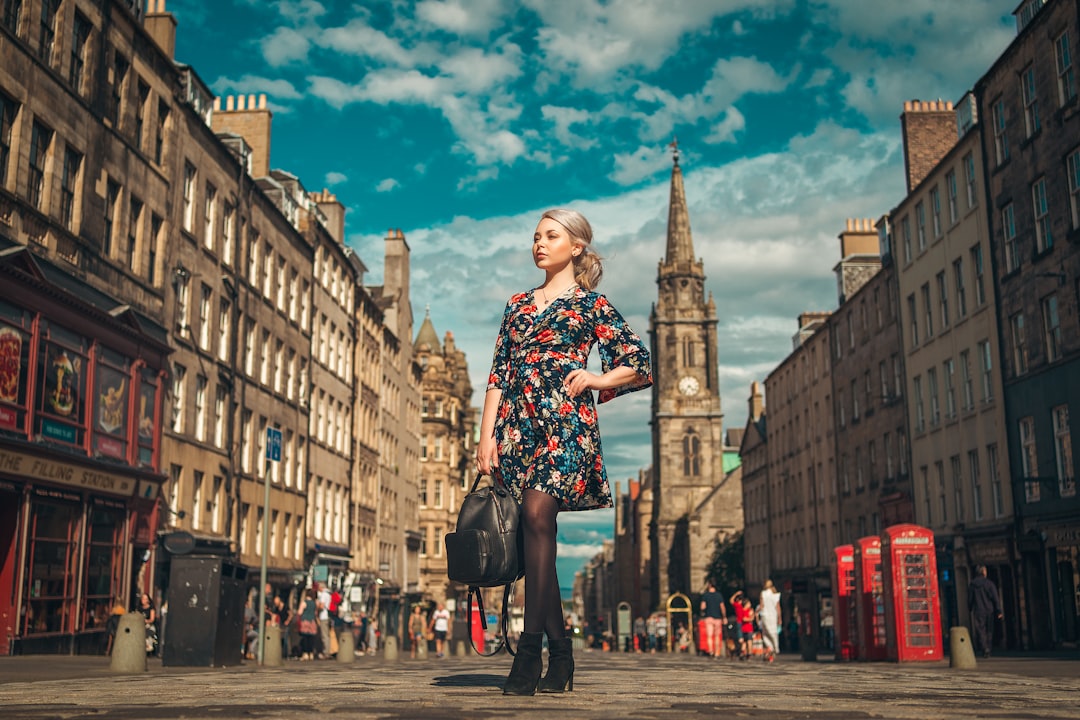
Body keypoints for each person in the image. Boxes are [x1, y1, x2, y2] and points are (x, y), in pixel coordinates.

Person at [475, 209, 652, 696]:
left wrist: (597, 377)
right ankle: (564, 653)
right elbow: (498, 375)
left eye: (551, 236)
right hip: (517, 430)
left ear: (575, 246)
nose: (539, 243)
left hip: (566, 428)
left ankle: (529, 651)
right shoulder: (516, 305)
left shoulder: (592, 305)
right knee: (536, 535)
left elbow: (638, 363)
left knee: (536, 513)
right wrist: (486, 436)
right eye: (535, 236)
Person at [968, 565, 1003, 658]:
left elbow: (970, 598)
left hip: (978, 610)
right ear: (983, 572)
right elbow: (995, 598)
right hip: (989, 610)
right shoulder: (989, 584)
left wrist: (970, 607)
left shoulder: (973, 585)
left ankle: (985, 648)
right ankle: (989, 647)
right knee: (989, 630)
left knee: (981, 630)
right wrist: (998, 610)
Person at [700, 581, 727, 658]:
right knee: (717, 636)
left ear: (709, 586)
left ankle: (711, 651)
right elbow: (722, 607)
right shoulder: (719, 596)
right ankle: (717, 652)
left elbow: (702, 607)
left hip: (709, 617)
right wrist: (724, 617)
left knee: (709, 636)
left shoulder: (705, 595)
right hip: (717, 618)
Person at [757, 579, 781, 662]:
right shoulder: (775, 594)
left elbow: (761, 606)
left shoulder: (763, 593)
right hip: (773, 616)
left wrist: (756, 612)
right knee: (773, 632)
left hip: (765, 615)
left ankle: (770, 647)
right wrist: (779, 618)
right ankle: (775, 648)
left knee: (765, 633)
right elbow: (778, 607)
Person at [297, 588, 319, 661]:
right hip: (312, 621)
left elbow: (299, 612)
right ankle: (311, 653)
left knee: (305, 637)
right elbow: (315, 613)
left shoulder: (304, 602)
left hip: (305, 621)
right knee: (311, 638)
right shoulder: (314, 603)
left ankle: (305, 653)